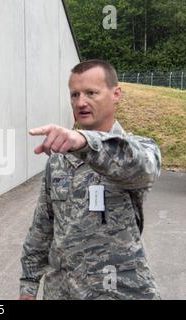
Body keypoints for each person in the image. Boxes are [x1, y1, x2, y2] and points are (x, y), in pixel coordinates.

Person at [19, 59, 161, 300]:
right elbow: (42, 227)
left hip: (118, 291)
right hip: (62, 291)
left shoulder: (137, 149)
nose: (80, 102)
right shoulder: (59, 160)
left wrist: (85, 141)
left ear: (116, 94)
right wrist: (29, 285)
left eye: (90, 93)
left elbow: (140, 167)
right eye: (74, 94)